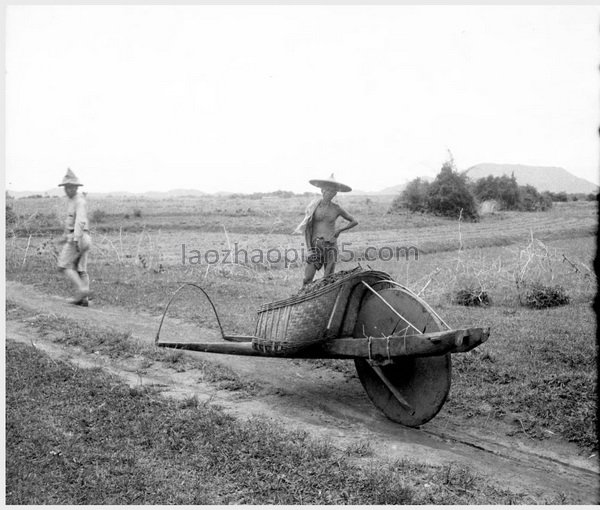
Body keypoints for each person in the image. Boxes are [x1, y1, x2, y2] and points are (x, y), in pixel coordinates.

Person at [294, 174, 358, 285]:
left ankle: (324, 300)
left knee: (328, 279)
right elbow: (308, 229)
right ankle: (303, 299)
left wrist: (339, 230)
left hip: (331, 246)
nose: (330, 193)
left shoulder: (336, 208)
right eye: (327, 190)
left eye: (332, 191)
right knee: (307, 279)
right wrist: (309, 250)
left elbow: (354, 221)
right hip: (316, 245)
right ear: (322, 190)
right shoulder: (314, 206)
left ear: (335, 193)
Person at [57, 169, 92, 306]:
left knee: (64, 266)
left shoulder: (79, 201)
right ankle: (83, 299)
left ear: (75, 187)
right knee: (81, 269)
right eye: (65, 187)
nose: (66, 190)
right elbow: (72, 222)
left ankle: (83, 290)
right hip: (82, 237)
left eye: (69, 187)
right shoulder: (73, 201)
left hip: (79, 237)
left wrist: (76, 239)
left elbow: (80, 221)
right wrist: (65, 237)